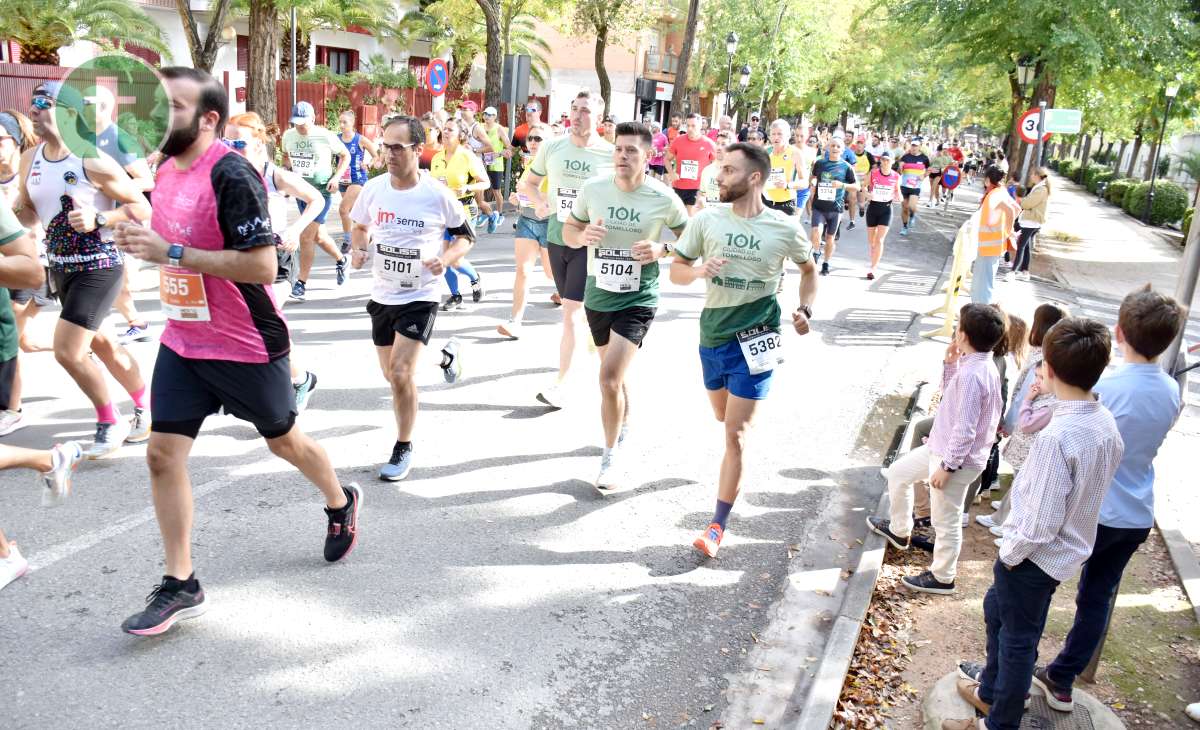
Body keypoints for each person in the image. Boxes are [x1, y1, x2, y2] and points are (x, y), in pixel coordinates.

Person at [113, 67, 362, 636]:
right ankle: (182, 583)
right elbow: (172, 231)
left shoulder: (232, 172)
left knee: (284, 442)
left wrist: (171, 251)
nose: (159, 115)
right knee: (161, 455)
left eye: (173, 106)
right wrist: (128, 228)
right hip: (184, 339)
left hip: (246, 341)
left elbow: (263, 264)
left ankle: (339, 499)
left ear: (207, 118)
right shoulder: (165, 168)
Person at [942, 318, 1123, 730]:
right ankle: (992, 690)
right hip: (1060, 555)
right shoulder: (1104, 421)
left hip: (1032, 558)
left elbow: (1039, 524)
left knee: (1017, 642)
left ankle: (998, 719)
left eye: (1042, 366)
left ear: (1051, 372)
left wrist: (1009, 554)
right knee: (999, 614)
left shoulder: (1058, 437)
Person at [1024, 288, 1183, 714]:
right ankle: (1062, 679)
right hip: (1135, 511)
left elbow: (1061, 428)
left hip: (1089, 509)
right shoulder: (1170, 390)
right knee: (1097, 597)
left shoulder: (1106, 386)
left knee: (1037, 587)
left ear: (1119, 332)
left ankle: (1017, 676)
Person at [670, 141, 818, 557]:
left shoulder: (785, 227)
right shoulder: (708, 221)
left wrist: (806, 308)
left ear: (754, 178)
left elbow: (808, 271)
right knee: (722, 417)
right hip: (713, 336)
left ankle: (716, 526)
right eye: (720, 169)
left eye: (729, 170)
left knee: (735, 434)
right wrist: (699, 270)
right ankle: (731, 460)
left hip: (757, 339)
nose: (719, 177)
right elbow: (678, 273)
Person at [17, 82, 152, 458]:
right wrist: (14, 217)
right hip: (60, 267)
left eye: (43, 102)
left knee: (68, 350)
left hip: (99, 265)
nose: (34, 108)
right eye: (33, 102)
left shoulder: (91, 159)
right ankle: (147, 405)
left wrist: (101, 216)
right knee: (103, 344)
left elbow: (142, 207)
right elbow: (29, 210)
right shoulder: (30, 159)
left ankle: (110, 420)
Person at [562, 121, 688, 488]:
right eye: (619, 148)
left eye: (632, 150)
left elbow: (695, 240)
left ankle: (609, 458)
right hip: (598, 294)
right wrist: (583, 234)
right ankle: (623, 420)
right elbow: (570, 230)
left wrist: (661, 249)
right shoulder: (594, 188)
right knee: (612, 375)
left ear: (648, 156)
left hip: (639, 297)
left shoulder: (663, 197)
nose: (623, 155)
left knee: (608, 378)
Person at [349, 115, 475, 481]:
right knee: (391, 374)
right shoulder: (373, 189)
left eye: (397, 147)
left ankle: (403, 446)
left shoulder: (437, 194)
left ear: (418, 149)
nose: (387, 152)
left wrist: (446, 259)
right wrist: (359, 249)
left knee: (402, 373)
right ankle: (444, 355)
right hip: (382, 294)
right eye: (385, 145)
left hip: (421, 295)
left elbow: (465, 237)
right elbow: (360, 227)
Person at [868, 303, 1004, 594]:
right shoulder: (977, 366)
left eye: (957, 325)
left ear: (963, 334)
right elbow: (951, 400)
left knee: (946, 520)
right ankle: (900, 529)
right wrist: (950, 363)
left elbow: (966, 428)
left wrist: (948, 467)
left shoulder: (974, 374)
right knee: (898, 473)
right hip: (941, 449)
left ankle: (943, 576)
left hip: (954, 460)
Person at [519, 90, 615, 408]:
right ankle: (587, 345)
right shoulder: (552, 147)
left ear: (599, 118)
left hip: (589, 244)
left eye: (585, 110)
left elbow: (623, 196)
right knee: (573, 311)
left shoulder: (609, 155)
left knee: (571, 313)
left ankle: (562, 384)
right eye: (574, 109)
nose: (577, 115)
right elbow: (527, 184)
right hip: (557, 237)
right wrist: (540, 201)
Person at [224, 112, 324, 412]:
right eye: (226, 141)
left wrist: (295, 228)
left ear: (257, 142)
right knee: (243, 325)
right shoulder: (225, 173)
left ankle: (295, 381)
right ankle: (281, 381)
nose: (231, 147)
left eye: (238, 142)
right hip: (240, 259)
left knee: (264, 323)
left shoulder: (273, 174)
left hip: (276, 258)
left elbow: (315, 199)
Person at [0, 109, 46, 436]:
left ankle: (12, 408)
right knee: (24, 340)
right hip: (11, 261)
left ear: (15, 142)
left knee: (13, 331)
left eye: (1, 140)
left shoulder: (28, 172)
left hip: (37, 259)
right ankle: (82, 345)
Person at [281, 101, 350, 301]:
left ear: (313, 119)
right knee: (319, 236)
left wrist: (336, 177)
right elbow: (286, 156)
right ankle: (341, 259)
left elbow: (344, 155)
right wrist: (287, 173)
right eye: (296, 123)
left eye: (304, 123)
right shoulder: (288, 135)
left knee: (306, 237)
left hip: (321, 193)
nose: (300, 127)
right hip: (301, 191)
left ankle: (301, 283)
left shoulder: (325, 135)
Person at [498, 122, 554, 339]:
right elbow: (525, 195)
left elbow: (561, 198)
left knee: (551, 274)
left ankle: (567, 292)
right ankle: (515, 321)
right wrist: (517, 198)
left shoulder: (556, 167)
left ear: (549, 141)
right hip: (527, 222)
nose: (532, 142)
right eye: (530, 138)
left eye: (538, 139)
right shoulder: (530, 164)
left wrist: (536, 198)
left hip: (550, 224)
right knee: (523, 271)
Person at [430, 120, 487, 311]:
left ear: (460, 135)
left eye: (450, 129)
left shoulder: (467, 156)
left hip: (463, 210)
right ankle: (455, 296)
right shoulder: (436, 157)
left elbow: (485, 183)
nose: (445, 132)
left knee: (454, 259)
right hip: (442, 212)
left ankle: (474, 277)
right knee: (443, 256)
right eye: (444, 129)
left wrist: (468, 187)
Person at [807, 136, 858, 276]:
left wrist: (842, 185)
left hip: (836, 208)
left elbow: (857, 186)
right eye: (832, 145)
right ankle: (817, 251)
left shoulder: (846, 167)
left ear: (842, 150)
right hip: (819, 205)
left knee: (830, 238)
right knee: (816, 232)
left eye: (838, 146)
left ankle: (826, 263)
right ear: (828, 147)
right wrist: (812, 184)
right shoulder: (820, 163)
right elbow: (812, 177)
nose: (835, 148)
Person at [971, 166, 1019, 304]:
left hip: (989, 245)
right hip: (994, 244)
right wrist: (1007, 230)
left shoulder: (993, 195)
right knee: (985, 282)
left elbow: (1011, 210)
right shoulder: (1001, 191)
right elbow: (1016, 208)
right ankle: (979, 312)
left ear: (987, 179)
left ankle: (981, 315)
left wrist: (1008, 230)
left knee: (983, 284)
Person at [335, 111, 380, 256]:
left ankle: (348, 241)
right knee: (354, 213)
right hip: (342, 180)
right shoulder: (336, 139)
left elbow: (376, 156)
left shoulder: (360, 139)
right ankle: (368, 231)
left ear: (352, 123)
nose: (341, 125)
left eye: (345, 122)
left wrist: (369, 164)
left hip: (357, 179)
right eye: (340, 122)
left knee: (343, 209)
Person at [666, 114, 717, 216]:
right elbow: (667, 159)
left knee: (691, 218)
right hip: (679, 185)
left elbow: (716, 165)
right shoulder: (678, 140)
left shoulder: (709, 144)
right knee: (679, 220)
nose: (690, 128)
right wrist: (671, 173)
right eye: (688, 125)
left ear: (700, 126)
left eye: (693, 126)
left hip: (697, 187)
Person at [864, 150, 901, 280]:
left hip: (886, 209)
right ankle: (873, 260)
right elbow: (862, 186)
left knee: (879, 240)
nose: (885, 162)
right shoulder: (873, 173)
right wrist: (867, 194)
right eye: (883, 159)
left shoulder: (896, 176)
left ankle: (873, 267)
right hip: (873, 208)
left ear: (893, 162)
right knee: (871, 241)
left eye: (887, 160)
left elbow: (898, 192)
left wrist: (899, 197)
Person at [1010, 166, 1049, 281]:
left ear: (1037, 176)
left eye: (1032, 174)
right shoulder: (1039, 188)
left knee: (1021, 246)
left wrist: (1023, 201)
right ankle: (1025, 271)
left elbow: (1027, 204)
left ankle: (1013, 271)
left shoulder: (1041, 190)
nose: (1031, 176)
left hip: (1031, 222)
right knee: (1026, 246)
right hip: (1030, 221)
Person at [480, 106, 512, 233]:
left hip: (496, 163)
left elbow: (509, 146)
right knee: (481, 188)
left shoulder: (499, 129)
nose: (486, 116)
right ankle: (484, 213)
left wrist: (502, 153)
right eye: (485, 114)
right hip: (482, 163)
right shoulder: (480, 128)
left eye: (489, 114)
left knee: (496, 190)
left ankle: (500, 213)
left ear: (495, 116)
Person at [762, 120, 800, 216]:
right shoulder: (765, 152)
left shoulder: (795, 153)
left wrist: (787, 185)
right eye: (773, 134)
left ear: (788, 135)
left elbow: (805, 182)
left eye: (780, 134)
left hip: (786, 203)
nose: (776, 137)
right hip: (766, 202)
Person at [897, 138, 930, 235]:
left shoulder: (924, 158)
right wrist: (900, 167)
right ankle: (904, 227)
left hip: (916, 186)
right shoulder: (905, 157)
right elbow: (900, 171)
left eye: (916, 146)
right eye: (912, 145)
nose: (914, 147)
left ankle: (912, 215)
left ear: (920, 147)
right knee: (904, 207)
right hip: (904, 186)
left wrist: (923, 175)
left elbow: (929, 170)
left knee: (912, 206)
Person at [697, 130, 733, 210]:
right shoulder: (706, 171)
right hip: (708, 217)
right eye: (717, 143)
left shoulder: (734, 173)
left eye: (723, 144)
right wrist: (701, 201)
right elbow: (702, 195)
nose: (719, 147)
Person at [847, 137, 873, 228]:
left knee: (861, 203)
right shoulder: (851, 154)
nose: (859, 145)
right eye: (857, 143)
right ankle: (852, 221)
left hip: (863, 182)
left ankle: (862, 208)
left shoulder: (868, 155)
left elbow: (873, 168)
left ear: (864, 145)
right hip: (853, 181)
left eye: (861, 143)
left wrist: (867, 177)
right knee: (852, 199)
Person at [928, 144, 953, 208]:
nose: (944, 150)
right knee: (934, 188)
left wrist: (945, 168)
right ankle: (937, 200)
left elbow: (950, 166)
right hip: (932, 172)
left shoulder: (949, 157)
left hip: (941, 173)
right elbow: (930, 163)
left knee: (935, 186)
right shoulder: (935, 155)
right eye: (943, 149)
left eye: (946, 149)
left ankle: (930, 201)